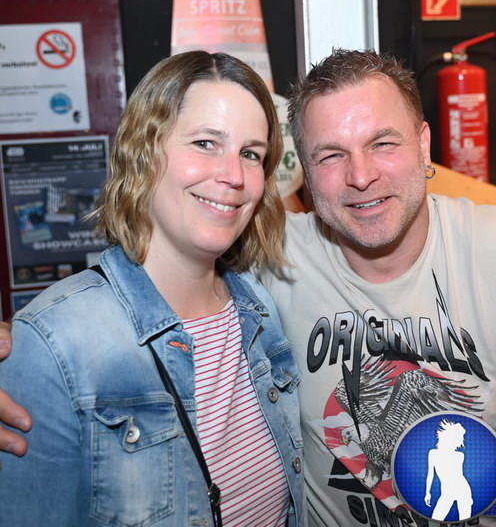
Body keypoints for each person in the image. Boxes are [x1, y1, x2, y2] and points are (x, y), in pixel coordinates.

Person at [2, 48, 496, 527]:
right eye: (331, 155)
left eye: (383, 143)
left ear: (424, 145)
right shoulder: (267, 258)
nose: (361, 176)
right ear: (304, 174)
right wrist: (22, 352)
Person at [0, 51, 304, 527]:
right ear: (143, 151)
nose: (233, 175)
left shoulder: (260, 308)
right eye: (205, 143)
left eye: (251, 154)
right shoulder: (56, 344)